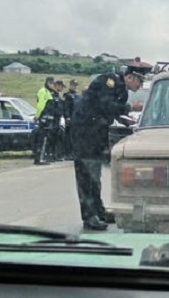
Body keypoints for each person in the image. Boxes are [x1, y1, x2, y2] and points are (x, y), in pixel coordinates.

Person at [70, 62, 151, 230]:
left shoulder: (121, 90)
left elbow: (112, 111)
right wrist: (130, 108)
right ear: (130, 77)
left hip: (97, 132)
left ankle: (98, 211)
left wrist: (127, 120)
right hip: (84, 131)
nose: (140, 86)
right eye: (139, 81)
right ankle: (89, 216)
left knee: (95, 173)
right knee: (86, 174)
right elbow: (106, 105)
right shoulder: (109, 82)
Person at [33, 77, 55, 165]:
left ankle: (41, 158)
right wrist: (37, 116)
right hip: (43, 119)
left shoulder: (48, 92)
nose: (53, 85)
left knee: (44, 139)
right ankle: (39, 159)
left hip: (47, 119)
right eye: (52, 83)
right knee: (41, 139)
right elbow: (40, 106)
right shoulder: (43, 91)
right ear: (48, 83)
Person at [62, 79, 80, 160]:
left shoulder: (77, 95)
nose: (74, 87)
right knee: (69, 137)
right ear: (70, 85)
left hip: (76, 119)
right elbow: (66, 107)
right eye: (73, 85)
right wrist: (67, 117)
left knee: (75, 137)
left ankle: (73, 153)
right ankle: (68, 153)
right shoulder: (67, 95)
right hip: (70, 118)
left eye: (75, 85)